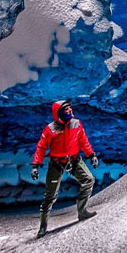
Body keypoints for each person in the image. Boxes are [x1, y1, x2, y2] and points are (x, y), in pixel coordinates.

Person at [31, 99, 100, 238]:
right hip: (56, 163)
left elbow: (83, 140)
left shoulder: (77, 124)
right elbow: (41, 147)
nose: (69, 110)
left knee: (89, 180)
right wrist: (35, 166)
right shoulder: (50, 129)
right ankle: (43, 226)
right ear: (58, 112)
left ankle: (82, 211)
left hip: (74, 160)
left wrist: (91, 154)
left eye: (70, 108)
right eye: (66, 109)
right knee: (50, 196)